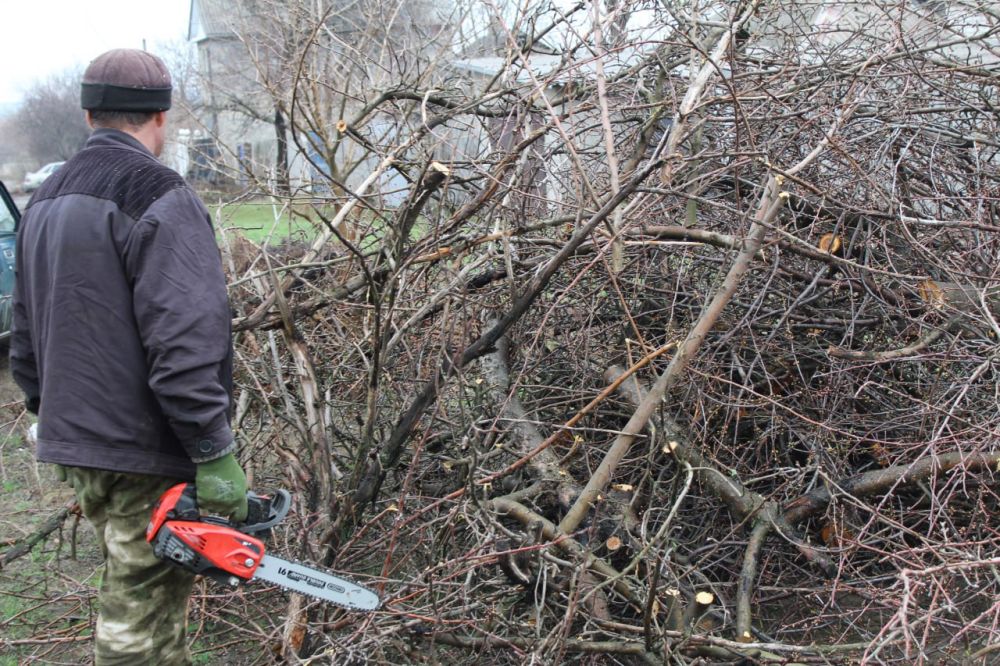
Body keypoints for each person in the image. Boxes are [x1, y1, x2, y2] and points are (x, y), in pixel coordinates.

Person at [10, 48, 248, 665]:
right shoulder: (159, 195)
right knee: (137, 626)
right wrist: (213, 451)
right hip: (141, 448)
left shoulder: (45, 199)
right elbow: (184, 340)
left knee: (149, 607)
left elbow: (24, 331)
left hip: (80, 442)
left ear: (88, 114)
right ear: (161, 117)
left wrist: (45, 412)